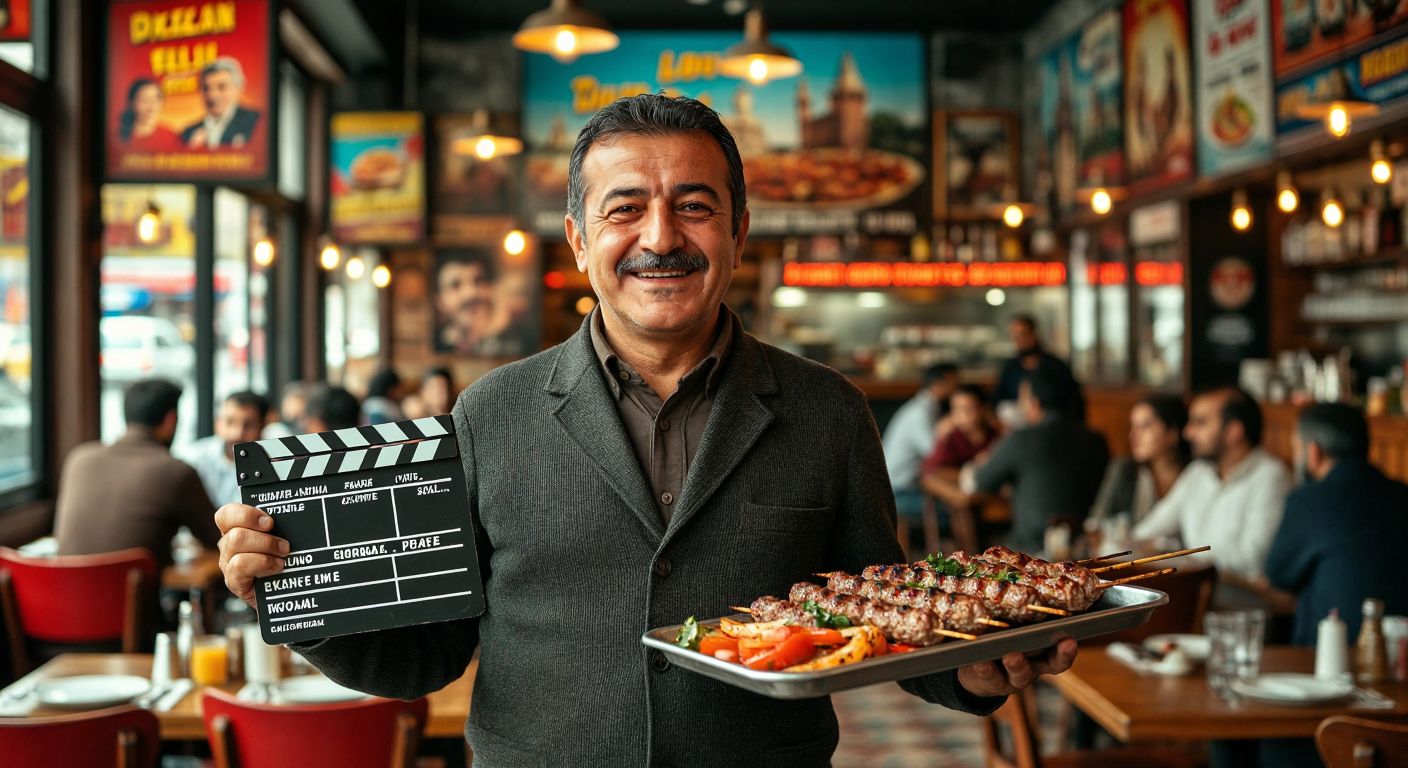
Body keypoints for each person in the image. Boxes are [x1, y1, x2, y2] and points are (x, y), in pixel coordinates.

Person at [214, 94, 1075, 766]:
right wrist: (302, 600)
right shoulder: (488, 413)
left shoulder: (826, 410)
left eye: (694, 207)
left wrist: (968, 672)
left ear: (739, 231)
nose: (660, 237)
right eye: (625, 209)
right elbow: (426, 654)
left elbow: (878, 624)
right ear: (579, 241)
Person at [1267, 403, 1408, 646]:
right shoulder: (1403, 495)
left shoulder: (1310, 500)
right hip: (1399, 655)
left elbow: (1278, 574)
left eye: (1297, 448)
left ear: (1313, 452)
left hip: (1331, 658)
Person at [54, 379, 220, 567]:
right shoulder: (174, 471)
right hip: (131, 594)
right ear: (170, 420)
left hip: (61, 592)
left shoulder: (79, 459)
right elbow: (217, 538)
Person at [1132, 387, 1290, 579]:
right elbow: (1144, 534)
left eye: (1200, 423)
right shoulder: (1198, 472)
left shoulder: (1271, 476)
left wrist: (1173, 557)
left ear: (1233, 431)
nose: (1188, 432)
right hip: (1195, 594)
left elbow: (1252, 561)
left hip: (1243, 606)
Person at [964, 366, 1109, 552]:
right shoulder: (1096, 440)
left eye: (1022, 399)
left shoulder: (1023, 438)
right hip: (1088, 547)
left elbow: (979, 482)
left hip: (1033, 552)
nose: (1021, 406)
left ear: (1035, 402)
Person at [1088, 395, 1190, 528]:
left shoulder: (1196, 474)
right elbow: (1096, 523)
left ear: (1172, 433)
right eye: (1133, 426)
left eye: (1144, 426)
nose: (1133, 435)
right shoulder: (1125, 470)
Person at [882, 363, 959, 521]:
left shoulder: (927, 408)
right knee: (955, 511)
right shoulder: (919, 414)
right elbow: (936, 456)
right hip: (899, 493)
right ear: (941, 382)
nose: (957, 387)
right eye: (954, 382)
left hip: (912, 487)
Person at [175, 391, 269, 508]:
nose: (238, 433)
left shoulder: (273, 463)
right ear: (218, 423)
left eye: (248, 424)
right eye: (230, 422)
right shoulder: (192, 459)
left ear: (263, 426)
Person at [920, 384, 999, 512]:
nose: (963, 415)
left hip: (987, 486)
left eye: (969, 409)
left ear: (984, 409)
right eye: (957, 410)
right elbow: (931, 472)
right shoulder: (949, 435)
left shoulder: (994, 433)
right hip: (960, 490)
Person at [993, 314, 1084, 424]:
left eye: (1023, 335)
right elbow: (999, 400)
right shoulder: (1010, 368)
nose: (1019, 340)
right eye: (1015, 336)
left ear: (1034, 334)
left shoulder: (1056, 367)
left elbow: (1073, 404)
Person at [180, 57, 260, 149]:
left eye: (221, 87)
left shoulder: (258, 123)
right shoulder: (189, 133)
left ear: (238, 87)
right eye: (206, 88)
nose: (212, 95)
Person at [117, 78, 180, 151]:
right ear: (131, 103)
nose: (151, 107)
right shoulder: (118, 136)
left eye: (156, 99)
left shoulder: (170, 136)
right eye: (144, 100)